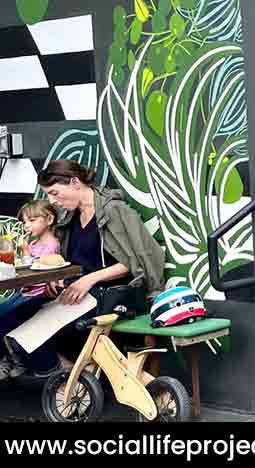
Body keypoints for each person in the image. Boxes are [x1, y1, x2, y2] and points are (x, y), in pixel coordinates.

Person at [0, 160, 165, 381]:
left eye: (55, 193)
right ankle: (71, 374)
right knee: (6, 322)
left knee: (23, 337)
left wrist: (87, 280)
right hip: (73, 292)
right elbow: (69, 262)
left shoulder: (114, 211)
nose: (52, 201)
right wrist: (56, 280)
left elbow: (134, 263)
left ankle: (70, 379)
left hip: (107, 296)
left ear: (75, 182)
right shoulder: (72, 217)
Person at [0, 200, 61, 379]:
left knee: (6, 317)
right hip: (24, 292)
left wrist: (26, 252)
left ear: (49, 220)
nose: (27, 225)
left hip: (38, 295)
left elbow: (40, 269)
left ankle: (15, 359)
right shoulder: (33, 244)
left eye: (32, 220)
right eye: (25, 222)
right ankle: (10, 358)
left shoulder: (52, 245)